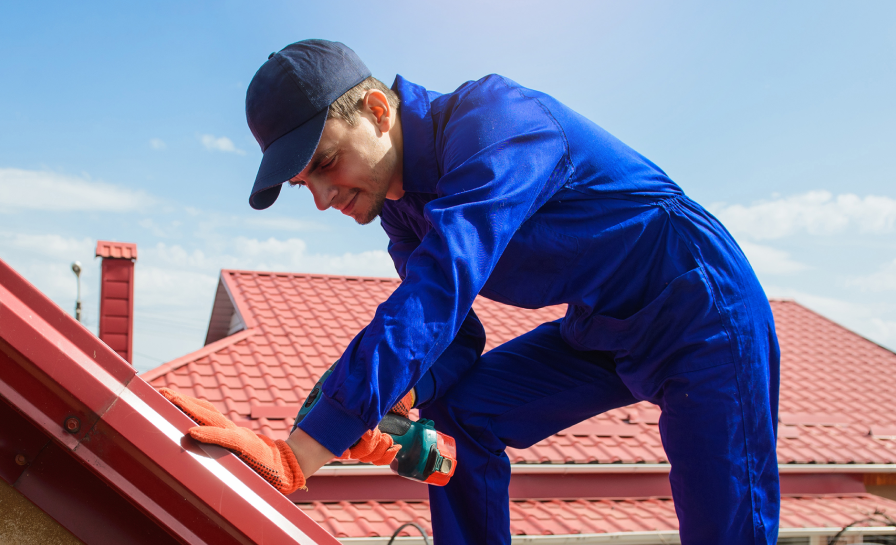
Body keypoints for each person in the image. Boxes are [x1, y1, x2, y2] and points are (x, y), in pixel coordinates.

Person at [166, 39, 781, 544]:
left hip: (701, 311)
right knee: (460, 416)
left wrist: (303, 449)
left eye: (326, 163)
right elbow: (455, 339)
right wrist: (403, 390)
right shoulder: (403, 214)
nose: (324, 198)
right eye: (306, 186)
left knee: (726, 531)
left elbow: (441, 291)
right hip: (601, 328)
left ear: (379, 111)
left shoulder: (498, 123)